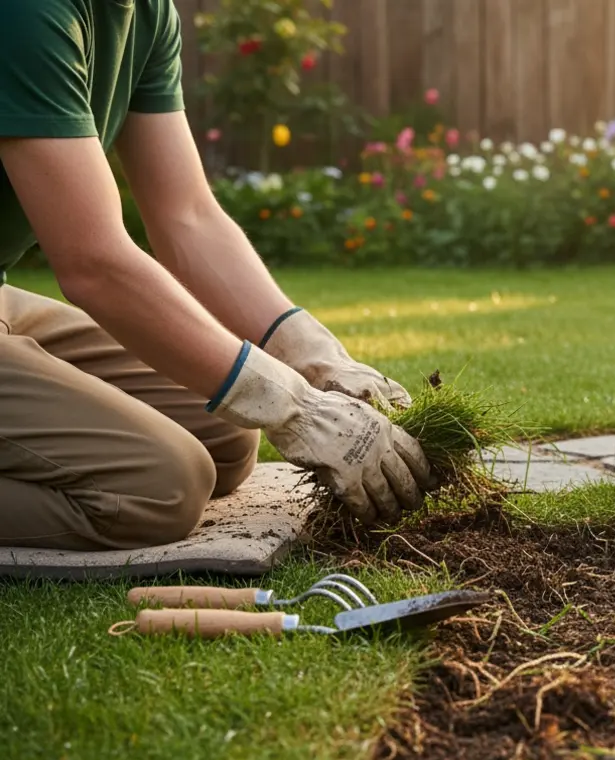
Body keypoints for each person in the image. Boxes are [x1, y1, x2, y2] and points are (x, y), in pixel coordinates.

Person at [0, 0, 435, 551]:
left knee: (225, 436)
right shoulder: (27, 13)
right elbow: (94, 262)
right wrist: (291, 404)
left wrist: (314, 358)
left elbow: (188, 218)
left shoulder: (147, 14)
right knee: (159, 488)